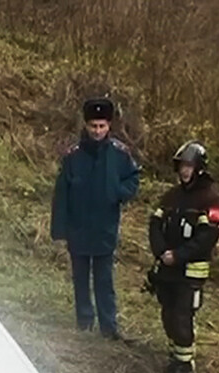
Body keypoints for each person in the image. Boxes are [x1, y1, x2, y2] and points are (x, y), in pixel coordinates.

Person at [50, 97, 140, 340]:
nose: (97, 131)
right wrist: (60, 229)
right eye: (93, 126)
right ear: (86, 126)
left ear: (109, 126)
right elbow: (61, 194)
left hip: (105, 228)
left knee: (104, 280)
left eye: (101, 126)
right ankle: (84, 321)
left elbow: (133, 178)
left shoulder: (120, 154)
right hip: (78, 228)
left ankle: (108, 327)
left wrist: (118, 193)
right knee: (80, 278)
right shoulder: (72, 156)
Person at [147, 141, 219, 373]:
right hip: (167, 269)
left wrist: (178, 256)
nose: (184, 171)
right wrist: (161, 252)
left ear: (199, 168)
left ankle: (184, 366)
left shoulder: (210, 200)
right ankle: (174, 357)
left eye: (189, 166)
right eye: (181, 165)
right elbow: (155, 225)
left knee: (182, 317)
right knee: (168, 314)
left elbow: (207, 238)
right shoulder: (171, 196)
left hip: (190, 272)